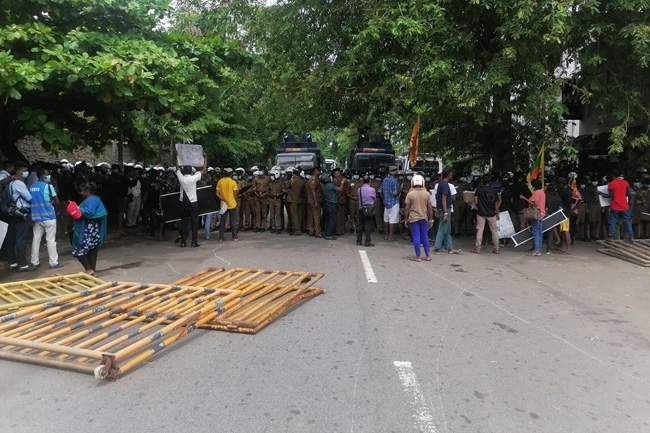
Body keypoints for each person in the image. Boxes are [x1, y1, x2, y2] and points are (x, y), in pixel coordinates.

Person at [29, 168, 64, 269]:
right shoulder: (48, 186)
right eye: (47, 174)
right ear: (42, 176)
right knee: (50, 240)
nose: (49, 176)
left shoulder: (31, 187)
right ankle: (53, 262)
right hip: (48, 217)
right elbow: (56, 200)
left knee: (36, 239)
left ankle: (34, 262)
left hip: (36, 217)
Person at [70, 182, 107, 276]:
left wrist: (77, 208)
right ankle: (92, 270)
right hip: (94, 230)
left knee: (79, 251)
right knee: (92, 250)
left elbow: (89, 212)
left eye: (82, 191)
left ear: (87, 191)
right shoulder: (95, 198)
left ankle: (89, 269)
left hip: (88, 231)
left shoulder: (91, 200)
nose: (81, 193)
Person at [4, 162, 32, 271]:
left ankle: (13, 262)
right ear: (18, 171)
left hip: (11, 212)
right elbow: (29, 198)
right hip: (21, 212)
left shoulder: (10, 183)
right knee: (21, 239)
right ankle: (23, 264)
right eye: (24, 171)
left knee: (11, 238)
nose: (26, 173)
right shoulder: (18, 183)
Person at [175, 151, 208, 248]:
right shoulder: (194, 178)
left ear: (184, 171)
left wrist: (176, 157)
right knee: (194, 223)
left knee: (183, 222)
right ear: (191, 171)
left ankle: (183, 242)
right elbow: (204, 169)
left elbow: (177, 168)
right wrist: (205, 157)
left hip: (183, 203)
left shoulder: (181, 178)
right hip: (193, 203)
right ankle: (194, 242)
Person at [601, 169, 635, 243]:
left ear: (611, 175)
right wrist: (628, 203)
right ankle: (631, 236)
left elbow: (611, 195)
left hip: (615, 206)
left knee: (612, 221)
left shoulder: (611, 184)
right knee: (627, 221)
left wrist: (601, 193)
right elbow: (629, 194)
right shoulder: (625, 182)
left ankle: (611, 236)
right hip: (625, 206)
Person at [404, 174, 433, 261]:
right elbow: (430, 208)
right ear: (422, 182)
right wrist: (431, 219)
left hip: (413, 219)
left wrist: (406, 219)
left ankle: (418, 256)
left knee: (416, 236)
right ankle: (427, 256)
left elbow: (406, 208)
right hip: (424, 218)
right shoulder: (427, 194)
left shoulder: (410, 194)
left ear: (412, 182)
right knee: (425, 236)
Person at [433, 169, 461, 254]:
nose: (452, 176)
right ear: (448, 175)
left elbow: (438, 197)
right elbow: (443, 199)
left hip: (442, 208)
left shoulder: (440, 184)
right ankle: (437, 248)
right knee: (442, 228)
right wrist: (445, 213)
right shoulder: (445, 185)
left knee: (447, 229)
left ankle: (449, 248)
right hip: (446, 208)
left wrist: (438, 208)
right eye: (451, 174)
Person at [472, 176, 501, 254]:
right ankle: (496, 248)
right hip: (491, 213)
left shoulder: (478, 190)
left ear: (482, 182)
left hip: (481, 213)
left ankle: (477, 248)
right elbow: (497, 203)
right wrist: (497, 212)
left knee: (480, 230)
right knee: (494, 231)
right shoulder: (494, 191)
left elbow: (476, 202)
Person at [520, 179, 546, 256]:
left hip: (536, 214)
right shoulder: (542, 192)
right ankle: (537, 248)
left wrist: (524, 198)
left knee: (535, 233)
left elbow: (535, 204)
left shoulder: (536, 193)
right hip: (541, 214)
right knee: (539, 232)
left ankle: (536, 250)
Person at [216, 168, 240, 242]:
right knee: (232, 221)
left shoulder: (220, 181)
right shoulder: (233, 182)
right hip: (232, 204)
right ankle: (235, 237)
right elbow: (235, 194)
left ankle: (221, 237)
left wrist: (224, 199)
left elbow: (217, 193)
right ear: (230, 174)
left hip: (223, 204)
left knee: (222, 221)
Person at [379, 165, 400, 241]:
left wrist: (384, 199)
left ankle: (386, 235)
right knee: (392, 220)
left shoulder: (385, 179)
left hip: (386, 202)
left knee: (386, 219)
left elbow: (380, 190)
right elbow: (395, 194)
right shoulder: (394, 181)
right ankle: (391, 236)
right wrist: (400, 190)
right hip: (393, 203)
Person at [356, 174, 376, 246]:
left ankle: (359, 240)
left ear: (362, 181)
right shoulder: (372, 190)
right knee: (367, 225)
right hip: (369, 208)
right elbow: (374, 198)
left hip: (361, 208)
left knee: (360, 224)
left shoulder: (359, 190)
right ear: (369, 181)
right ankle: (367, 241)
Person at [555, 177, 573, 254]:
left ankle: (568, 248)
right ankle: (561, 245)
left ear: (561, 184)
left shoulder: (564, 192)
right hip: (566, 212)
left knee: (565, 231)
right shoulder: (569, 190)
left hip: (564, 213)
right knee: (562, 230)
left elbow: (558, 198)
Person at [307, 167, 324, 237]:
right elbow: (313, 190)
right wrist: (316, 201)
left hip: (311, 201)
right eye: (319, 171)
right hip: (314, 201)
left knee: (311, 216)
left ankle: (311, 230)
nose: (320, 172)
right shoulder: (314, 180)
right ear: (315, 171)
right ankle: (317, 232)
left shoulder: (313, 179)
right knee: (317, 216)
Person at [321, 173, 338, 240]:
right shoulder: (330, 185)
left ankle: (326, 232)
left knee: (328, 219)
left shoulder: (325, 186)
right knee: (332, 219)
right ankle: (328, 234)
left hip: (327, 204)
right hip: (331, 204)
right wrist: (342, 183)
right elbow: (340, 189)